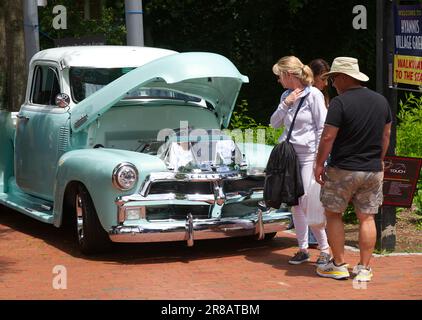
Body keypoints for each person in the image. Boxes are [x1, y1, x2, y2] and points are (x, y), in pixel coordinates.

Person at [314, 57, 392, 282]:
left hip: (343, 168)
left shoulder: (340, 103)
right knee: (367, 217)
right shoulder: (380, 101)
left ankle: (338, 264)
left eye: (335, 78)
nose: (333, 84)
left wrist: (319, 164)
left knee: (333, 214)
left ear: (345, 77)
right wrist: (379, 159)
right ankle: (364, 269)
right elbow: (385, 135)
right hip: (372, 169)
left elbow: (328, 136)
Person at [271, 56, 331, 265]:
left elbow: (322, 127)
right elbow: (274, 123)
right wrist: (285, 104)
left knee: (307, 201)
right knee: (295, 202)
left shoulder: (313, 94)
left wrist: (318, 159)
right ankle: (303, 248)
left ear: (288, 75)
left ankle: (325, 249)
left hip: (308, 156)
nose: (279, 80)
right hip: (290, 156)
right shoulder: (286, 95)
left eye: (280, 76)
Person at [307, 58, 331, 247]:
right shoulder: (312, 95)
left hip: (321, 150)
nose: (325, 83)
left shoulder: (321, 96)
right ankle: (313, 234)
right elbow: (320, 128)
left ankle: (316, 233)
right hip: (314, 151)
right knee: (311, 193)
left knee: (316, 193)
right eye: (322, 78)